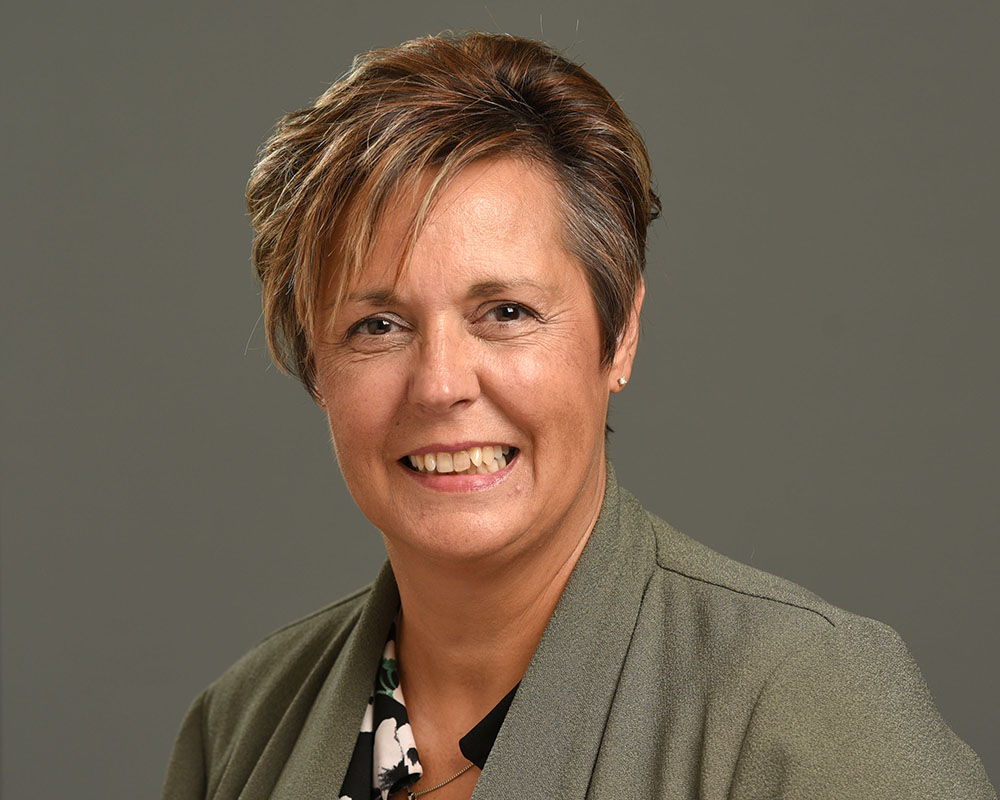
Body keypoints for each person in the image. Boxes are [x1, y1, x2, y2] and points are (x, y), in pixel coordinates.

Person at [162, 32, 995, 800]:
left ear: (620, 334)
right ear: (316, 367)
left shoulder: (803, 701)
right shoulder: (239, 729)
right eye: (376, 325)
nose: (441, 384)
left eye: (507, 312)